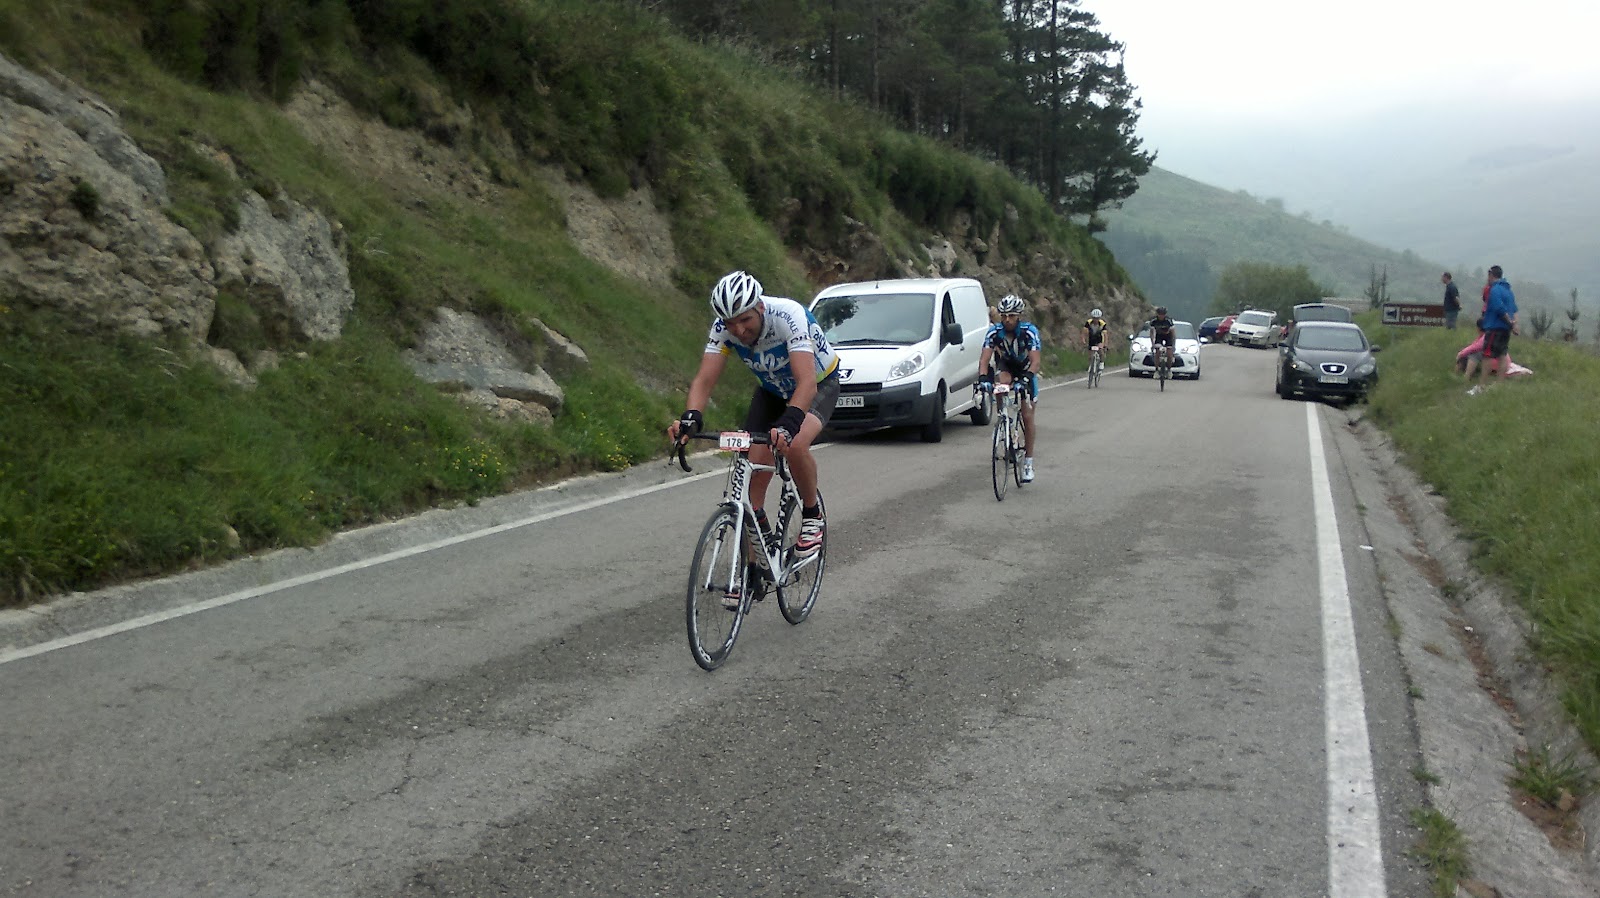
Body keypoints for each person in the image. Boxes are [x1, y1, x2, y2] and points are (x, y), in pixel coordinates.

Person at [668, 271, 841, 606]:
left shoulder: (788, 316)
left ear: (760, 307)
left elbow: (806, 383)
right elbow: (704, 381)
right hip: (772, 392)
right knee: (750, 493)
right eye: (730, 323)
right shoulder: (723, 328)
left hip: (818, 384)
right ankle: (750, 571)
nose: (738, 330)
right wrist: (691, 418)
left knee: (794, 444)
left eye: (745, 320)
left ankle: (812, 516)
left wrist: (789, 423)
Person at [978, 294, 1042, 483]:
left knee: (1027, 415)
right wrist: (982, 378)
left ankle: (1028, 463)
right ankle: (1003, 418)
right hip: (1006, 365)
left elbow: (1035, 361)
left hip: (1026, 368)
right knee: (1001, 383)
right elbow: (984, 360)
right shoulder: (994, 332)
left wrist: (1026, 378)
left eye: (1011, 316)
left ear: (1018, 316)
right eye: (1004, 316)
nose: (1007, 320)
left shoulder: (1029, 331)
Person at [1470, 265, 1517, 395]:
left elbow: (1499, 308)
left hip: (1495, 327)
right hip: (1505, 330)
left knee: (1487, 356)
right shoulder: (1508, 291)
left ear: (1491, 275)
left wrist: (1509, 322)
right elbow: (1514, 309)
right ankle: (1499, 385)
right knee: (1502, 355)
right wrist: (1513, 325)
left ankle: (1481, 386)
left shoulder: (1494, 290)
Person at [1146, 306, 1178, 370]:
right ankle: (1156, 369)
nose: (1161, 316)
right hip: (1159, 336)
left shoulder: (1168, 320)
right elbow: (1151, 333)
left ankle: (1169, 369)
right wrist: (1153, 344)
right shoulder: (1154, 321)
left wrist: (1173, 345)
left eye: (1163, 314)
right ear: (1157, 314)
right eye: (1160, 314)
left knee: (1169, 354)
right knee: (1157, 352)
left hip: (1168, 336)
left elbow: (1173, 333)